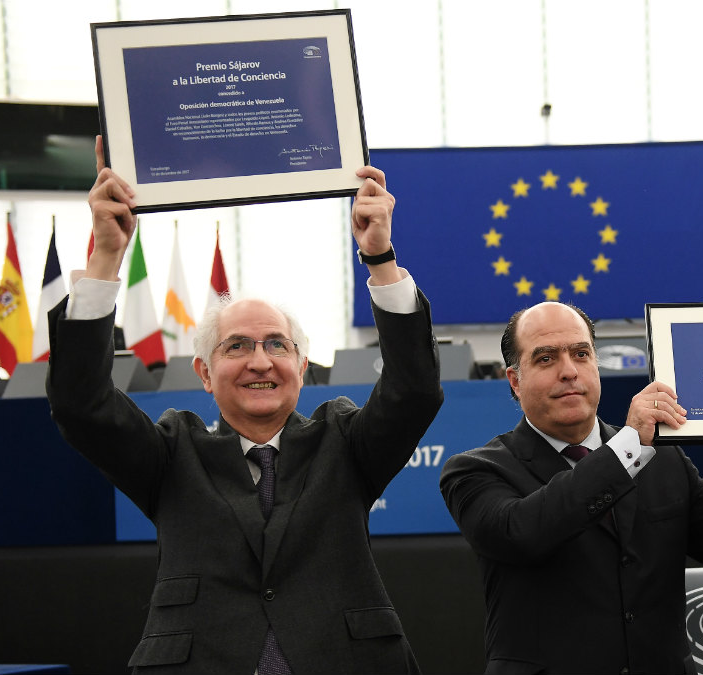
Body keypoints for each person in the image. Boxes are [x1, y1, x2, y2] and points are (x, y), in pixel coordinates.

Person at [45, 138, 443, 673]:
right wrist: (106, 255)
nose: (260, 361)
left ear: (303, 368)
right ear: (205, 374)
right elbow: (80, 404)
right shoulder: (171, 454)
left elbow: (414, 390)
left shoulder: (344, 444)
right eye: (237, 346)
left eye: (277, 345)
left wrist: (379, 257)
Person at [439, 301, 703, 674]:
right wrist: (628, 445)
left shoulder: (664, 459)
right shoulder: (476, 471)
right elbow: (525, 533)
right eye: (546, 359)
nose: (569, 371)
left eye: (581, 354)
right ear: (514, 380)